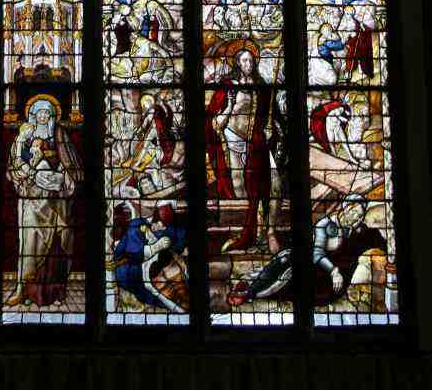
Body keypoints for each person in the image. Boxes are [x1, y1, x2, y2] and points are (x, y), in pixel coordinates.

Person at [226, 197, 385, 309]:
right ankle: (250, 292)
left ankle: (250, 291)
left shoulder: (352, 230)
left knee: (294, 284)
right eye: (353, 213)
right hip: (305, 258)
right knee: (282, 270)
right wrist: (334, 271)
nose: (354, 219)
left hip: (320, 272)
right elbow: (316, 253)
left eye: (358, 217)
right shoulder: (326, 224)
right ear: (346, 208)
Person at [205, 45, 284, 255]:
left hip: (257, 142)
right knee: (239, 187)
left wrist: (272, 129)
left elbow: (272, 115)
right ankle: (248, 232)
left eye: (251, 60)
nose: (249, 64)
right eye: (244, 61)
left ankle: (270, 231)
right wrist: (229, 107)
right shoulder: (228, 85)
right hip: (232, 140)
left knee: (275, 183)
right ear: (237, 63)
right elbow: (213, 120)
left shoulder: (261, 85)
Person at [5, 98, 83, 308]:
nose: (43, 116)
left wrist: (61, 176)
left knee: (56, 246)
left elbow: (72, 165)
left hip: (55, 201)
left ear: (52, 116)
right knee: (29, 244)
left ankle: (55, 293)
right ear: (33, 115)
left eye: (47, 113)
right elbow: (14, 166)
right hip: (32, 198)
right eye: (39, 113)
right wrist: (30, 171)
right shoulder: (24, 137)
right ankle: (23, 290)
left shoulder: (59, 134)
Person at [111, 201, 188, 313]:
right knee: (173, 299)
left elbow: (178, 242)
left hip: (166, 267)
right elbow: (134, 254)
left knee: (182, 294)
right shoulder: (134, 228)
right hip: (144, 275)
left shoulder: (143, 225)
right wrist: (155, 247)